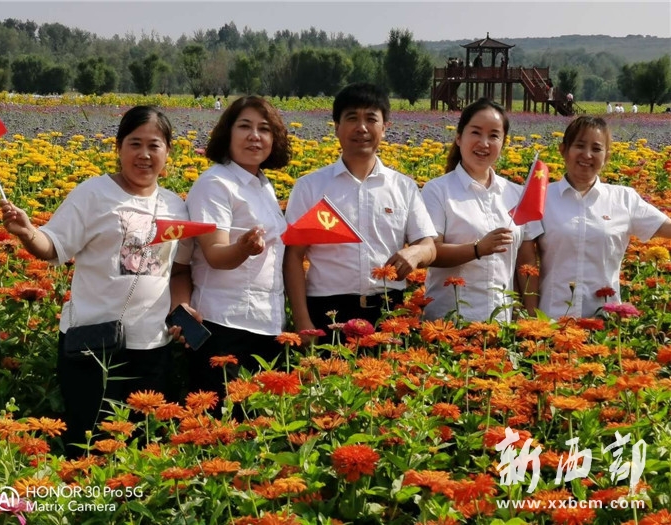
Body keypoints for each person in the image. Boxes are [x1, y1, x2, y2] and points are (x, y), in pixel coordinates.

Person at [0, 106, 193, 458]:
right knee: (89, 448)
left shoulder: (175, 206)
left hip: (152, 346)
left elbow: (178, 271)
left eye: (154, 145)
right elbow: (53, 246)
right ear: (118, 147)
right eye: (135, 144)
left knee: (143, 450)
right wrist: (28, 232)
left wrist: (183, 307)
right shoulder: (94, 194)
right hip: (93, 345)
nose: (144, 154)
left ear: (169, 152)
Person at [283, 83, 437, 344]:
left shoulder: (404, 187)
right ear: (336, 127)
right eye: (352, 118)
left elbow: (429, 245)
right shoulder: (310, 187)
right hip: (328, 310)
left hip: (388, 310)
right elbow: (293, 256)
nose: (362, 127)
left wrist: (417, 252)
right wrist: (302, 322)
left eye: (371, 119)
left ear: (384, 128)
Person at [184, 96, 290, 412]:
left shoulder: (263, 185)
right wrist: (243, 249)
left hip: (266, 323)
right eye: (245, 126)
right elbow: (215, 253)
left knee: (259, 425)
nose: (255, 136)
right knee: (221, 424)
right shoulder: (215, 184)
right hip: (224, 325)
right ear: (227, 134)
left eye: (264, 129)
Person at [537, 116, 671, 319]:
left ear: (607, 156)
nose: (587, 155)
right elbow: (522, 258)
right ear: (563, 150)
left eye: (596, 149)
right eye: (579, 145)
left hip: (605, 321)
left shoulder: (624, 199)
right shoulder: (543, 197)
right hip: (552, 319)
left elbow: (665, 227)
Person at [422, 98, 542, 322]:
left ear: (503, 143)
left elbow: (526, 262)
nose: (484, 143)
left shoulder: (517, 194)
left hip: (502, 322)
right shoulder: (437, 190)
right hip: (450, 323)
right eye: (476, 132)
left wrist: (530, 318)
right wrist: (477, 249)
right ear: (459, 137)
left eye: (494, 135)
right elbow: (430, 252)